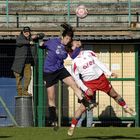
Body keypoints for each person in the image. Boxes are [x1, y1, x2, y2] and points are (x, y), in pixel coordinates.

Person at [67, 40, 136, 136]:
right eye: (75, 43)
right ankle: (72, 126)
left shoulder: (88, 52)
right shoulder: (74, 63)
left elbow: (99, 63)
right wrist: (86, 89)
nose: (77, 42)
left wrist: (109, 72)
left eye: (77, 42)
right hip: (89, 84)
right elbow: (77, 79)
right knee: (82, 107)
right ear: (72, 48)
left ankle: (126, 107)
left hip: (101, 78)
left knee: (114, 94)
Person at [39, 24, 93, 130]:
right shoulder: (53, 41)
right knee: (51, 97)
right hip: (49, 72)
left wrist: (79, 46)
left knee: (73, 84)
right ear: (62, 36)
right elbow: (42, 44)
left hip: (60, 69)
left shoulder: (68, 46)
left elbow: (74, 55)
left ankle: (86, 103)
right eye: (66, 38)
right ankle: (53, 120)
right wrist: (39, 41)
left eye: (69, 39)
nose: (67, 40)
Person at [11, 26, 44, 96]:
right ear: (23, 32)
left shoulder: (32, 38)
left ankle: (25, 91)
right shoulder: (20, 37)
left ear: (29, 32)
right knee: (18, 77)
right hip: (19, 62)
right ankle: (20, 93)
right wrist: (29, 42)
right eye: (25, 32)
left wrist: (37, 36)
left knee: (28, 77)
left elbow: (42, 35)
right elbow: (19, 42)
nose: (26, 33)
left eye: (27, 32)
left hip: (28, 63)